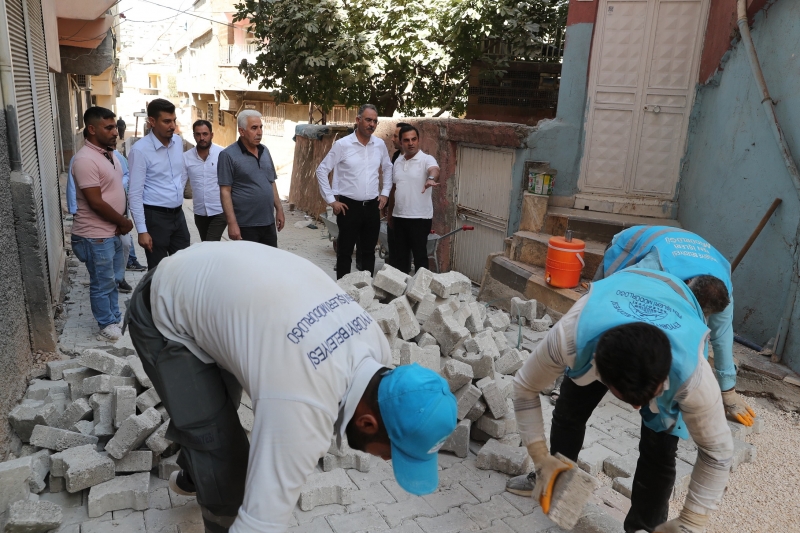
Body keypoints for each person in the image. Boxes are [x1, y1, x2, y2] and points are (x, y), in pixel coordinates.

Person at [124, 242, 457, 533]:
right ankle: (209, 476)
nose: (386, 461)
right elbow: (258, 525)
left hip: (209, 275)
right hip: (164, 310)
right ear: (367, 423)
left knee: (219, 409)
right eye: (391, 455)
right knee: (224, 458)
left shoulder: (374, 346)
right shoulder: (301, 405)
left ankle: (197, 471)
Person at [505, 269, 733, 533]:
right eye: (627, 400)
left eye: (647, 398)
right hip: (620, 293)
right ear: (602, 375)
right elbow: (524, 387)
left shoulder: (694, 375)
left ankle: (644, 527)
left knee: (659, 449)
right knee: (570, 407)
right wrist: (540, 456)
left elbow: (718, 453)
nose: (638, 409)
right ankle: (556, 481)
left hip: (675, 310)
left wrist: (692, 522)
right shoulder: (571, 336)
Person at [595, 225, 756, 427]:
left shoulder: (723, 291)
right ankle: (573, 376)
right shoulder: (653, 269)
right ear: (685, 284)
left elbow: (721, 336)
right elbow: (614, 292)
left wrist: (727, 390)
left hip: (685, 251)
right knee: (600, 311)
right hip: (630, 245)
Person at [70, 107, 132, 341]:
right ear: (92, 129)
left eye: (114, 127)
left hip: (110, 231)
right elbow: (95, 202)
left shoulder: (110, 154)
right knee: (101, 282)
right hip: (95, 235)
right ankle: (106, 324)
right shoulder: (85, 160)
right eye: (109, 128)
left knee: (112, 280)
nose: (115, 132)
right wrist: (122, 221)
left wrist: (119, 222)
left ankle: (114, 318)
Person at [316, 104, 393, 278]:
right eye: (368, 120)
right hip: (348, 207)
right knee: (344, 252)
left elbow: (388, 168)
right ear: (358, 120)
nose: (372, 124)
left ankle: (365, 293)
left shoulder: (379, 145)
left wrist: (385, 193)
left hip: (372, 207)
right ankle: (343, 293)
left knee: (368, 253)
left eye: (375, 121)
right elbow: (321, 170)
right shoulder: (343, 145)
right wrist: (331, 200)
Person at [127, 98, 190, 270]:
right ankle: (154, 298)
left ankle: (179, 298)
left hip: (178, 216)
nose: (172, 126)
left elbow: (181, 173)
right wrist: (142, 230)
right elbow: (134, 193)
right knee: (158, 271)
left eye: (174, 121)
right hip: (155, 218)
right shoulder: (140, 150)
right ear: (152, 122)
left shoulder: (178, 142)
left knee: (184, 266)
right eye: (167, 121)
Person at [218, 110, 285, 246]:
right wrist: (232, 223)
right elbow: (225, 191)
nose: (259, 132)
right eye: (254, 128)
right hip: (246, 225)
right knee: (248, 266)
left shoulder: (265, 151)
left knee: (270, 264)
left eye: (261, 127)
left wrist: (279, 210)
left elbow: (271, 181)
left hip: (268, 223)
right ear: (242, 131)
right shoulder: (228, 155)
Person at [389, 125, 440, 274]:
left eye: (414, 139)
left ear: (418, 140)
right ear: (401, 142)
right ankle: (402, 293)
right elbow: (394, 188)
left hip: (419, 218)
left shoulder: (426, 159)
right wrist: (391, 212)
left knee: (420, 258)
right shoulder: (397, 161)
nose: (410, 143)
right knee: (400, 258)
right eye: (406, 140)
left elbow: (434, 170)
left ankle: (420, 293)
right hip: (399, 217)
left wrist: (431, 179)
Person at [184, 120, 226, 241]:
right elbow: (180, 183)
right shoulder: (186, 157)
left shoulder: (222, 154)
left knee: (210, 243)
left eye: (205, 134)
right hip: (199, 212)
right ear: (194, 135)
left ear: (211, 135)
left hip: (219, 210)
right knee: (206, 244)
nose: (202, 138)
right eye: (198, 134)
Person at [385, 122, 411, 266]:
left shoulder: (417, 159)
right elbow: (392, 185)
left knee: (404, 253)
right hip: (394, 212)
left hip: (408, 215)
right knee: (393, 249)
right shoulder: (395, 157)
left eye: (396, 136)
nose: (392, 139)